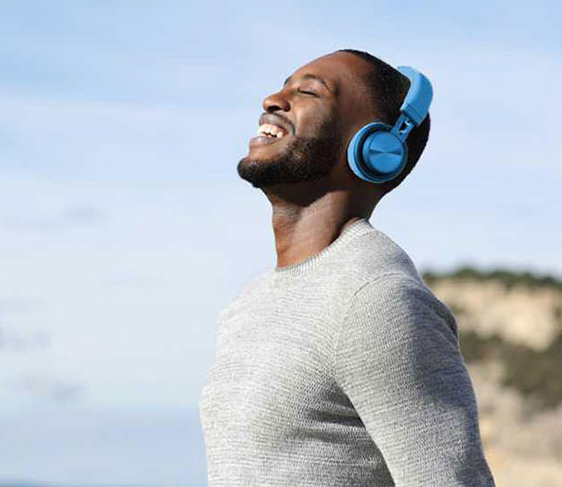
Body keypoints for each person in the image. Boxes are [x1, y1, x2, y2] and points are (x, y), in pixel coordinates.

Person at [199, 49, 496, 486]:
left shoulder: (376, 298)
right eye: (283, 85)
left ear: (377, 149)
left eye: (308, 92)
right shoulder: (248, 304)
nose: (272, 99)